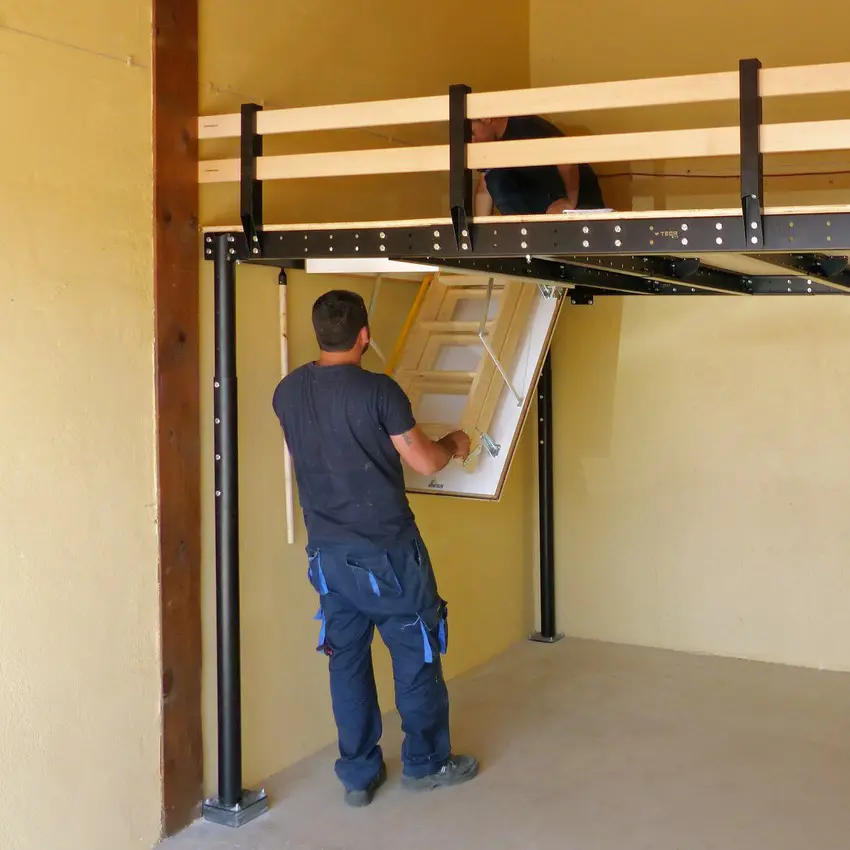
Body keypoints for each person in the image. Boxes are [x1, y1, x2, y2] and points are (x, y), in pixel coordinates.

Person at [271, 289, 480, 808]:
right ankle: (426, 763)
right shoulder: (379, 392)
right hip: (389, 555)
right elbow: (426, 462)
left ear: (319, 334)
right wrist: (454, 443)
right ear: (364, 335)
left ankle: (359, 775)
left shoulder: (287, 392)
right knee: (415, 654)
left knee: (346, 661)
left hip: (327, 557)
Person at [470, 114, 607, 215]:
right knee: (494, 177)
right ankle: (527, 233)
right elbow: (484, 189)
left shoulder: (526, 126)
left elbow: (567, 161)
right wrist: (480, 235)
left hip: (575, 193)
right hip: (542, 199)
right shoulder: (489, 146)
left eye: (473, 133)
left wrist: (570, 202)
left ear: (486, 119)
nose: (472, 141)